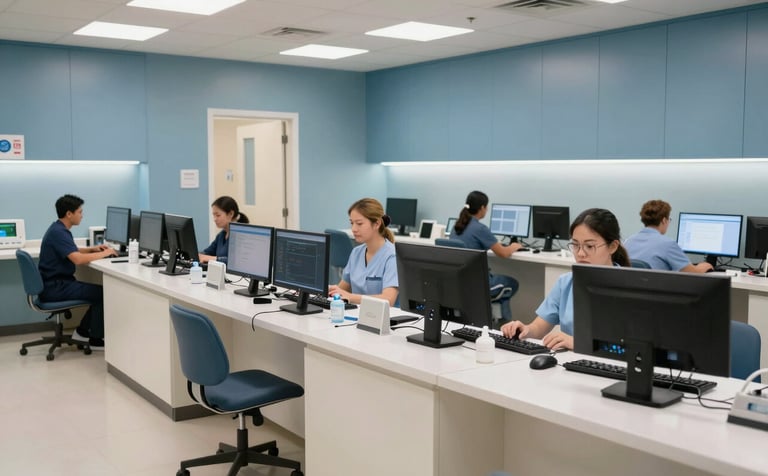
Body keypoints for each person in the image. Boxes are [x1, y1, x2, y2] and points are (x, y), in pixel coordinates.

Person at [500, 208, 630, 350]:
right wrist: (524, 330)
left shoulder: (628, 288)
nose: (580, 253)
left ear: (612, 247)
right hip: (568, 365)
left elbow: (628, 348)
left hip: (608, 368)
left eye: (589, 246)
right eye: (575, 245)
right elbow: (539, 327)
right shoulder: (566, 282)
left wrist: (579, 343)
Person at [38, 194, 119, 350]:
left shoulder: (58, 229)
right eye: (80, 212)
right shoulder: (60, 232)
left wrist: (92, 249)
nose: (82, 215)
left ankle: (82, 332)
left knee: (98, 293)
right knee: (101, 294)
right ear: (69, 214)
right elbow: (78, 259)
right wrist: (105, 253)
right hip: (56, 288)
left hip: (54, 284)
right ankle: (95, 340)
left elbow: (71, 250)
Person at [452, 191, 521, 324]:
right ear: (482, 208)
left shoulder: (457, 227)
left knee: (502, 289)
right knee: (511, 284)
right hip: (479, 283)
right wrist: (514, 246)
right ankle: (503, 325)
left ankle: (495, 320)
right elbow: (503, 253)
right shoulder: (480, 229)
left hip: (460, 282)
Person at [328, 198, 399, 306]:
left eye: (359, 224)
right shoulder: (356, 253)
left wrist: (350, 297)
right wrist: (331, 290)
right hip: (356, 316)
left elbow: (388, 300)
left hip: (383, 319)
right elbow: (341, 290)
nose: (354, 229)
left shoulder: (392, 256)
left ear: (377, 224)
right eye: (352, 223)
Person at [623, 199, 713, 273]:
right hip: (658, 293)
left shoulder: (628, 242)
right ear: (664, 220)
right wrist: (703, 266)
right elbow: (693, 273)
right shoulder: (668, 244)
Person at [198, 196, 249, 264]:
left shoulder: (241, 236)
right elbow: (207, 252)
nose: (215, 219)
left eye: (218, 215)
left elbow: (237, 261)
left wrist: (213, 258)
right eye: (214, 215)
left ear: (231, 214)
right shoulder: (222, 235)